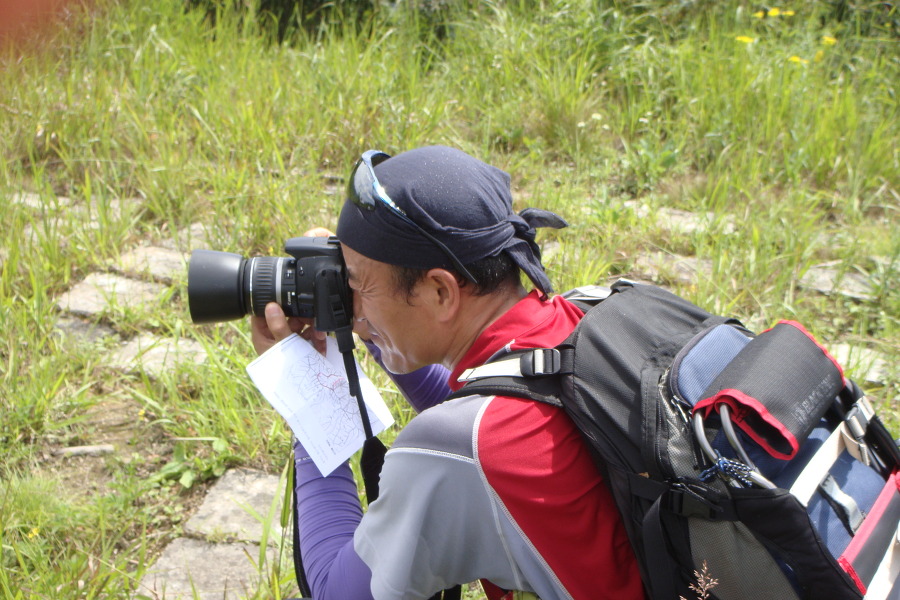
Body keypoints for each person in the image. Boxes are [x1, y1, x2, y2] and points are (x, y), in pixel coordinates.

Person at [250, 146, 644, 600]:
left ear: (440, 291)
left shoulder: (457, 451)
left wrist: (309, 393)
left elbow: (334, 592)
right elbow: (486, 404)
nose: (350, 304)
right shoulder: (587, 313)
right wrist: (372, 327)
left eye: (356, 285)